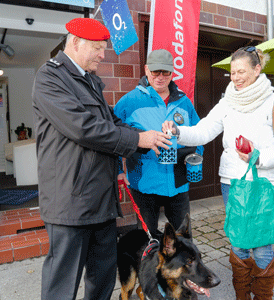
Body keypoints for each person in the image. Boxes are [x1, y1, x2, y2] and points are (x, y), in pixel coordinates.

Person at [32, 18, 171, 300]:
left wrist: (148, 137)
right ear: (74, 43)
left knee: (103, 276)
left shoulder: (90, 80)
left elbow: (113, 121)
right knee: (63, 283)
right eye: (97, 47)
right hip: (70, 202)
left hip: (101, 201)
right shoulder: (50, 77)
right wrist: (137, 140)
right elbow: (84, 128)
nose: (102, 54)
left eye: (103, 48)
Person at [162, 46, 274, 299]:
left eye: (241, 71)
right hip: (231, 182)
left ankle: (262, 296)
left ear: (258, 69)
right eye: (232, 73)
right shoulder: (227, 102)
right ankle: (241, 295)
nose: (236, 77)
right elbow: (203, 131)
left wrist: (260, 157)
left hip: (263, 183)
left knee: (260, 244)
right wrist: (177, 132)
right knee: (238, 241)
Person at [114, 49, 203, 239]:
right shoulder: (129, 102)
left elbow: (199, 133)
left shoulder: (184, 102)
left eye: (165, 72)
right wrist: (117, 170)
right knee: (149, 238)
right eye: (155, 72)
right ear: (146, 70)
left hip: (178, 183)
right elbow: (112, 135)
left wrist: (197, 156)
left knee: (183, 239)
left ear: (172, 73)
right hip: (144, 182)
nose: (160, 77)